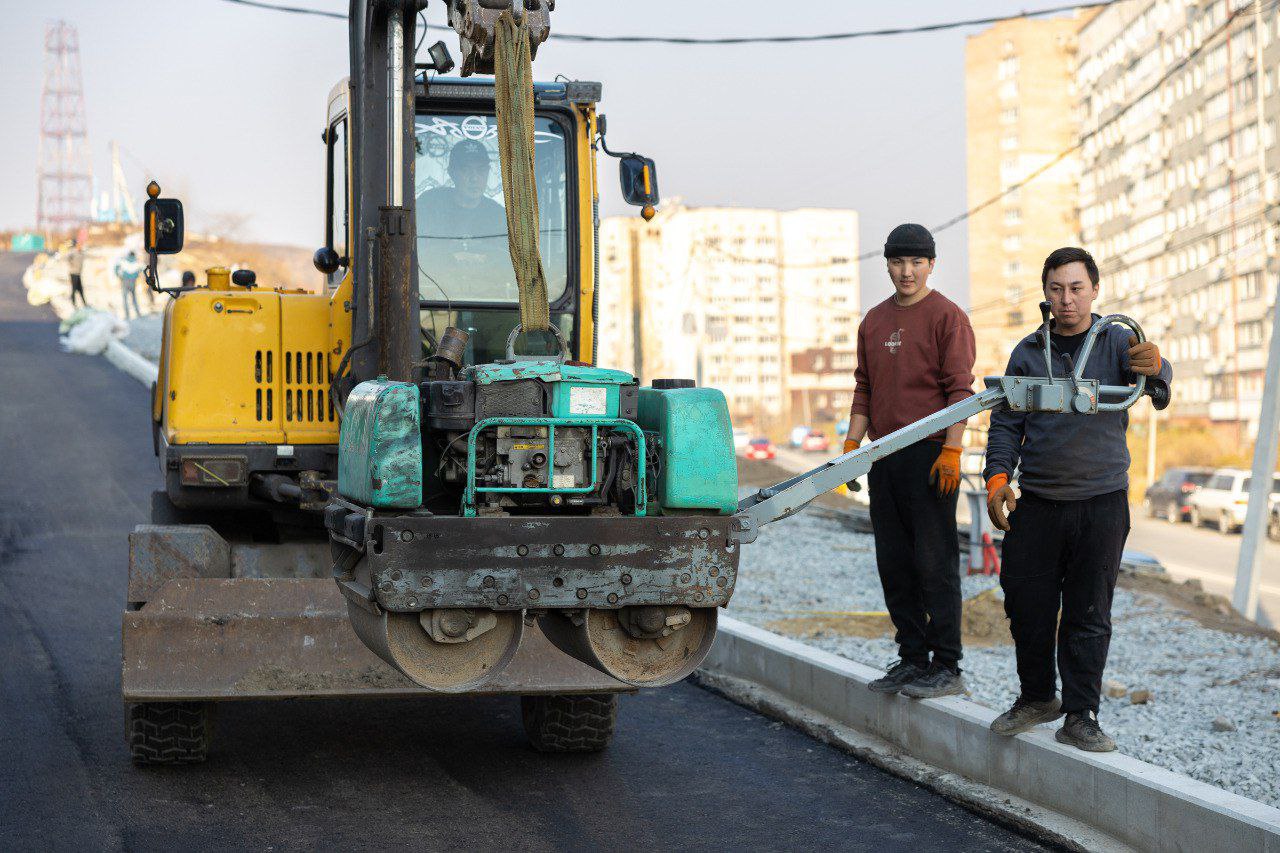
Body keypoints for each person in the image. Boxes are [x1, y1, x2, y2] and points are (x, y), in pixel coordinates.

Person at [984, 246, 1172, 752]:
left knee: (1089, 612)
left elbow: (1155, 381)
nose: (1066, 299)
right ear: (1045, 293)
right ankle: (1036, 697)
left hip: (1100, 503)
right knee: (1027, 604)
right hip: (1038, 502)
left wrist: (1158, 368)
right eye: (1056, 289)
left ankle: (1080, 715)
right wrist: (998, 478)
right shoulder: (1029, 351)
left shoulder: (1116, 342)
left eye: (1076, 288)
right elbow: (1006, 422)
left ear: (1094, 290)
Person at [844, 223, 977, 699]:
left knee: (934, 562)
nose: (907, 271)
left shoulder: (948, 317)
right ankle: (912, 658)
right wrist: (851, 446)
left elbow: (960, 391)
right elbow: (865, 387)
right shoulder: (874, 321)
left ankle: (947, 665)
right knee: (895, 563)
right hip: (884, 456)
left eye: (917, 262)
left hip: (930, 456)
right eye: (898, 262)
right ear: (887, 265)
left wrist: (952, 450)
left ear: (931, 265)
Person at [417, 139, 509, 296]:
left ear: (488, 172)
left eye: (481, 170)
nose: (474, 178)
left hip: (488, 299)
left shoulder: (499, 216)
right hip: (433, 296)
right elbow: (417, 255)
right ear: (451, 173)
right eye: (466, 170)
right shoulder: (430, 207)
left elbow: (506, 267)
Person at [114, 250, 144, 320]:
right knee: (134, 298)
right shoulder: (137, 262)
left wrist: (119, 275)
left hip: (125, 280)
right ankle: (138, 313)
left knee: (125, 298)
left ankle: (127, 315)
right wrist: (136, 275)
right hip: (133, 281)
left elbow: (116, 268)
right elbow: (142, 270)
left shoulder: (123, 261)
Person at [66, 240, 87, 307]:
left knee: (80, 289)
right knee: (74, 288)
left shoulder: (81, 253)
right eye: (79, 246)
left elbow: (85, 255)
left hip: (78, 273)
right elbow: (67, 258)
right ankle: (73, 302)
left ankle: (84, 303)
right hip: (73, 273)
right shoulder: (73, 252)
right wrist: (71, 264)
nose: (80, 247)